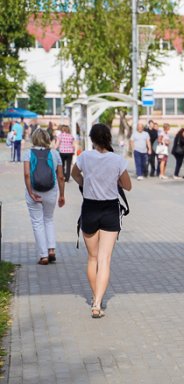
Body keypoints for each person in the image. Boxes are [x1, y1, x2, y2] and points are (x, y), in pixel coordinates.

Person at [71, 123, 131, 318]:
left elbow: (74, 174)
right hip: (110, 210)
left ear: (92, 139)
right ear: (108, 138)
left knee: (92, 258)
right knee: (105, 259)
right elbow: (127, 186)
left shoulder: (84, 157)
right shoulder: (117, 160)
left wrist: (85, 183)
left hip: (89, 208)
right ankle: (97, 303)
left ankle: (95, 298)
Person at [23, 128, 65, 265]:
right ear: (48, 139)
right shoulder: (54, 153)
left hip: (34, 190)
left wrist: (30, 193)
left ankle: (43, 256)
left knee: (37, 222)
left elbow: (27, 175)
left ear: (34, 139)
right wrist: (62, 195)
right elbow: (60, 176)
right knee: (49, 219)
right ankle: (51, 249)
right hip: (50, 190)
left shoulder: (28, 153)